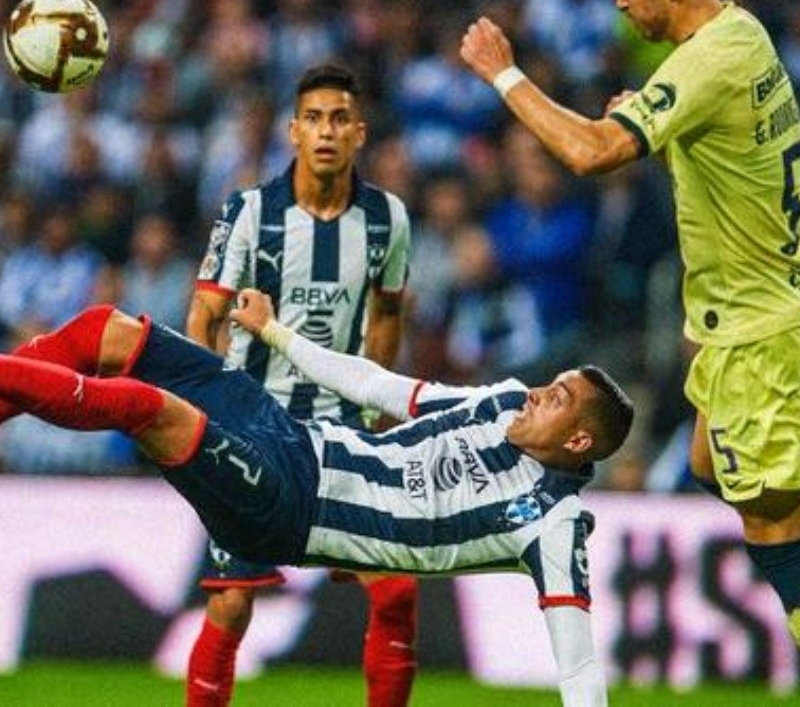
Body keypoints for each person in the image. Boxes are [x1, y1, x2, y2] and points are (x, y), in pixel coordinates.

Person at [0, 288, 633, 707]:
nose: (535, 394)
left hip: (288, 507)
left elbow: (577, 664)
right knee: (104, 332)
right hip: (291, 434)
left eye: (556, 399)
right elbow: (383, 387)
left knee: (148, 409)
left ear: (578, 440)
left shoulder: (553, 521)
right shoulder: (499, 402)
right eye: (549, 384)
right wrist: (277, 334)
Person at [460, 0, 800, 647]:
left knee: (774, 518)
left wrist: (503, 73)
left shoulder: (704, 61)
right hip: (747, 320)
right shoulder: (743, 35)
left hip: (757, 333)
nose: (618, 2)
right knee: (711, 460)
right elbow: (729, 157)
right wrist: (661, 140)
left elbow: (587, 153)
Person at [184, 63, 416, 707]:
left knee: (395, 587)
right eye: (313, 118)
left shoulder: (386, 219)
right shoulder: (251, 212)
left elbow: (390, 311)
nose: (326, 131)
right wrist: (212, 408)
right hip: (253, 424)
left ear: (360, 134)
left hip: (340, 426)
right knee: (232, 604)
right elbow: (204, 313)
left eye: (339, 118)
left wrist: (376, 406)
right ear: (292, 131)